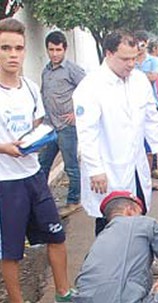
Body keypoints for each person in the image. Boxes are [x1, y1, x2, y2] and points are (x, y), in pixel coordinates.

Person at [0, 18, 75, 303]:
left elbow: (37, 123)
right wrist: (4, 147)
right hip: (6, 182)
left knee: (56, 235)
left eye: (18, 48)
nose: (13, 54)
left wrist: (37, 138)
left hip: (33, 175)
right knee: (11, 248)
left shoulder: (30, 87)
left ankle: (63, 291)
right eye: (5, 48)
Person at [72, 30, 158, 235]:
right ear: (108, 54)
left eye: (134, 58)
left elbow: (151, 117)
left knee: (139, 219)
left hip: (135, 166)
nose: (131, 64)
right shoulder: (91, 86)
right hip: (107, 169)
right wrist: (95, 169)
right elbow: (87, 133)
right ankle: (109, 267)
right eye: (125, 59)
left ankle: (140, 264)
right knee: (109, 227)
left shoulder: (139, 80)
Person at [38, 30, 86, 218]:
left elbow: (88, 91)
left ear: (64, 49)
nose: (55, 53)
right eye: (51, 50)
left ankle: (74, 201)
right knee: (42, 166)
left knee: (71, 166)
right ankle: (41, 202)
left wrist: (77, 113)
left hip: (67, 128)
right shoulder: (46, 71)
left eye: (58, 49)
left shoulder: (72, 69)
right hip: (50, 127)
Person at [134, 31, 158, 191]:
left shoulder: (153, 60)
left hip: (149, 106)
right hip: (131, 108)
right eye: (137, 43)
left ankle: (146, 180)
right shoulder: (131, 60)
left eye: (142, 43)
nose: (140, 47)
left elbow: (154, 77)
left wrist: (136, 74)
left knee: (148, 148)